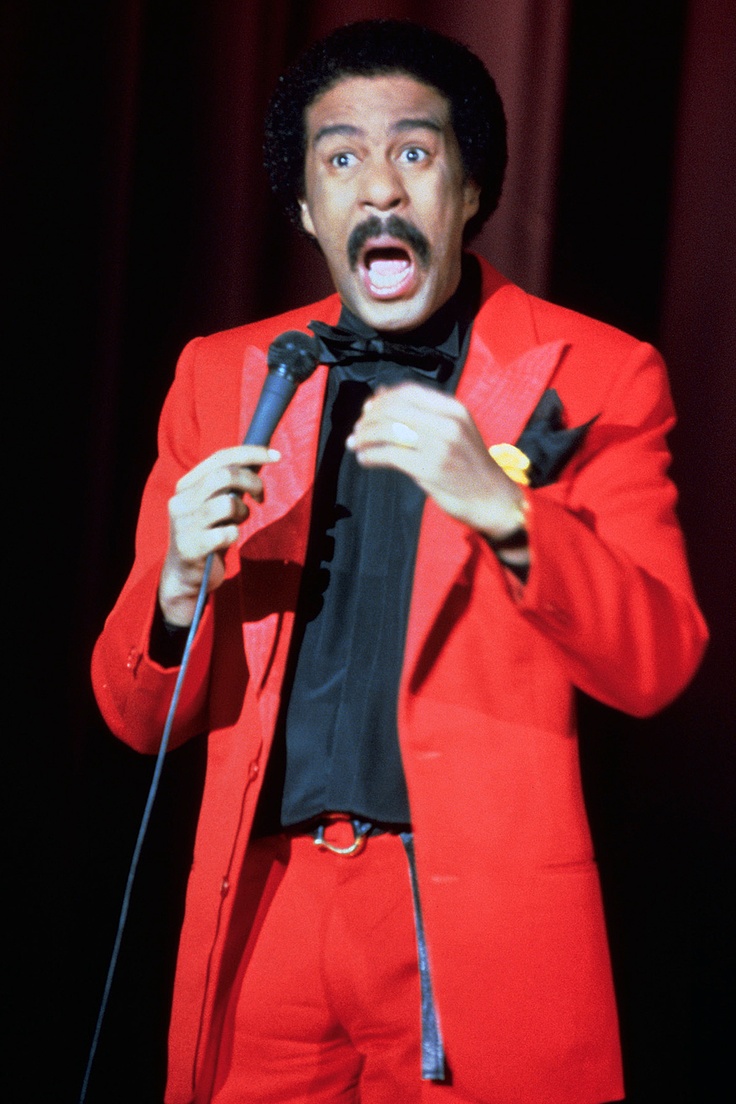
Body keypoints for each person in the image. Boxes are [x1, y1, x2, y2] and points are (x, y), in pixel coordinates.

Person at [92, 19, 708, 1104]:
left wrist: (506, 512)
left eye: (415, 153)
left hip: (464, 913)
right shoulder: (224, 375)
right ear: (304, 210)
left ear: (472, 190)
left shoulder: (602, 374)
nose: (379, 186)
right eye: (342, 160)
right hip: (263, 915)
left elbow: (656, 662)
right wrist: (178, 586)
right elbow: (136, 716)